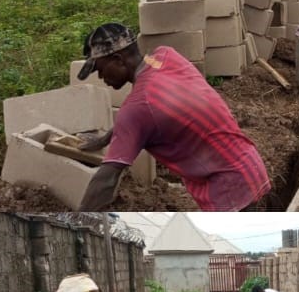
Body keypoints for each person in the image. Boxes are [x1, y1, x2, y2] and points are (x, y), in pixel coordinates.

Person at [75, 22, 270, 213]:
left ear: (118, 59)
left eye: (100, 69)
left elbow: (107, 179)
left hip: (228, 190)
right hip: (250, 166)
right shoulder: (164, 57)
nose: (101, 77)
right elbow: (142, 111)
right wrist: (104, 140)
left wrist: (80, 216)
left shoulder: (138, 107)